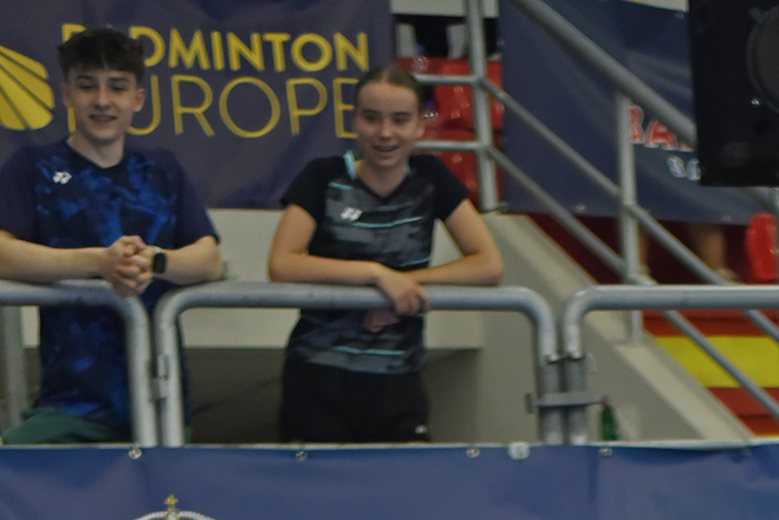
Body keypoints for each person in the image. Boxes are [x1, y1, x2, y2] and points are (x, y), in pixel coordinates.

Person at [0, 27, 219, 445]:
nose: (102, 100)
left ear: (137, 99)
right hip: (69, 404)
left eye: (117, 87)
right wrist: (98, 263)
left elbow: (208, 258)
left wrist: (155, 261)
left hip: (162, 404)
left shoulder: (163, 169)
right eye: (88, 86)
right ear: (67, 94)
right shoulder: (33, 165)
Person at [267, 64, 502, 445]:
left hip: (399, 377)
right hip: (317, 374)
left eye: (400, 119)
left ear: (420, 125)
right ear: (354, 120)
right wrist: (375, 274)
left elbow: (488, 264)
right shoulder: (322, 175)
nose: (385, 132)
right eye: (372, 118)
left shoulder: (430, 177)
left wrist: (405, 284)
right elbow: (282, 263)